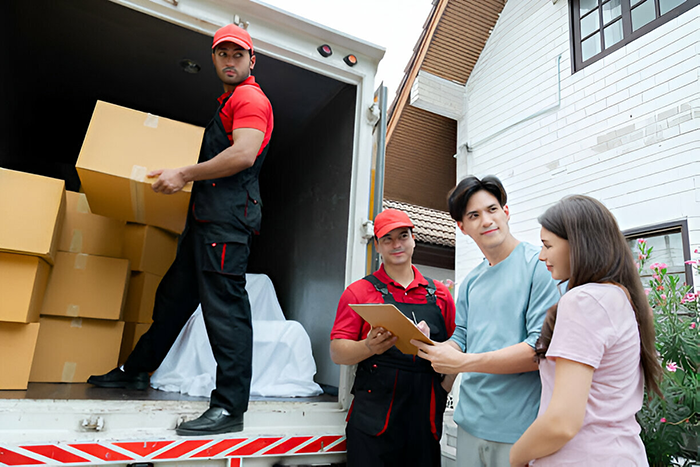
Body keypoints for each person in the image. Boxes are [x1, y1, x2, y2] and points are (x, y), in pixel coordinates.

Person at [88, 24, 274, 436]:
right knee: (173, 300)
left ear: (251, 61)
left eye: (238, 55)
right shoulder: (227, 100)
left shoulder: (249, 98)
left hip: (226, 226)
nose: (230, 61)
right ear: (213, 58)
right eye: (223, 54)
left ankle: (229, 408)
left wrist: (183, 174)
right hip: (206, 224)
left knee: (225, 313)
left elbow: (243, 154)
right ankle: (135, 370)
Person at [412, 175, 560, 467]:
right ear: (462, 227)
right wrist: (437, 347)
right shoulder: (470, 283)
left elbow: (538, 350)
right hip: (469, 423)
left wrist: (463, 362)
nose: (486, 220)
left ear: (506, 212)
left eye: (492, 210)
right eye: (474, 215)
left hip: (520, 428)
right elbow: (463, 338)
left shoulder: (539, 267)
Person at [508, 195, 662, 466]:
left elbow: (562, 423)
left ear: (578, 245)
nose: (542, 256)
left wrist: (516, 456)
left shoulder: (585, 301)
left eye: (547, 245)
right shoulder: (620, 297)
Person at [329, 208, 456, 467]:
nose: (397, 244)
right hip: (373, 420)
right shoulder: (359, 292)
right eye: (387, 238)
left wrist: (444, 388)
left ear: (413, 240)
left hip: (425, 416)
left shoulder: (440, 294)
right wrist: (368, 346)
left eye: (403, 235)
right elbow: (337, 351)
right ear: (377, 245)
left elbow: (457, 347)